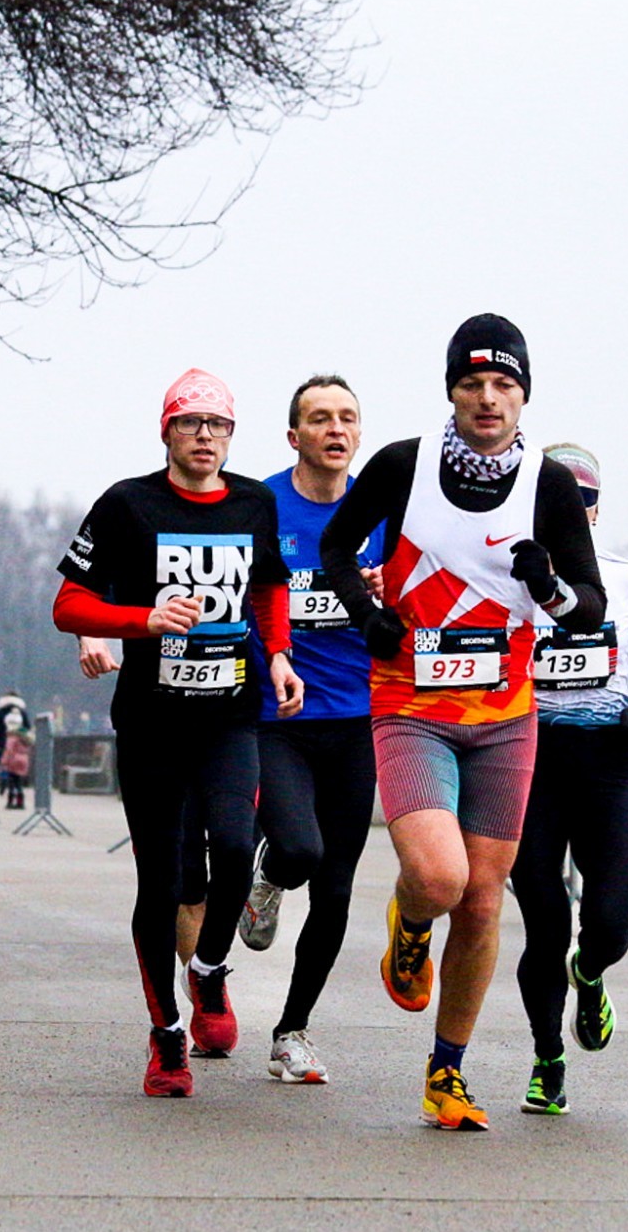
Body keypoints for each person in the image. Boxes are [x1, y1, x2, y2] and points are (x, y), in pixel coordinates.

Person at [319, 314, 605, 1131]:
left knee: (482, 902)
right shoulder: (403, 465)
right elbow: (338, 549)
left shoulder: (547, 486)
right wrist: (363, 615)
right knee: (441, 879)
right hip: (411, 703)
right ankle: (409, 920)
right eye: (473, 383)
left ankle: (447, 1072)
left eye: (504, 385)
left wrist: (548, 587)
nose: (488, 398)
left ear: (524, 396)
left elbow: (586, 608)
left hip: (505, 715)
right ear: (452, 389)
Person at [52, 367, 301, 1098]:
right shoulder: (128, 505)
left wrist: (279, 653)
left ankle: (209, 967)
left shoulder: (254, 501)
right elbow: (68, 604)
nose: (203, 436)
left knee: (232, 848)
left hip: (228, 714)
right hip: (153, 721)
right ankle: (166, 1037)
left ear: (230, 435)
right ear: (166, 431)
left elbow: (268, 584)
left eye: (216, 425)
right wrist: (141, 620)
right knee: (159, 883)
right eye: (189, 423)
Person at [510, 443, 628, 1116]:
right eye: (561, 501)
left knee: (609, 926)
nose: (575, 512)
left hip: (607, 761)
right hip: (531, 764)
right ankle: (547, 1060)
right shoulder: (507, 577)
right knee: (546, 922)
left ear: (596, 507)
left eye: (585, 501)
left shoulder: (622, 577)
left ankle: (590, 976)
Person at [233, 374, 385, 1086]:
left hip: (359, 718)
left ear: (358, 435)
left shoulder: (381, 514)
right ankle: (268, 875)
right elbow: (232, 591)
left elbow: (422, 607)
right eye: (319, 418)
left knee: (337, 890)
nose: (335, 428)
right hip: (279, 716)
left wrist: (391, 593)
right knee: (298, 846)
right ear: (294, 436)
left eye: (347, 418)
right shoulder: (263, 505)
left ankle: (292, 1031)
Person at [0, 691, 31, 808]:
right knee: (18, 775)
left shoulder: (0, 711)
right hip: (20, 748)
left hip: (3, 742)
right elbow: (27, 728)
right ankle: (19, 798)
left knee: (7, 768)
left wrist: (0, 736)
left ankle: (4, 785)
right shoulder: (22, 712)